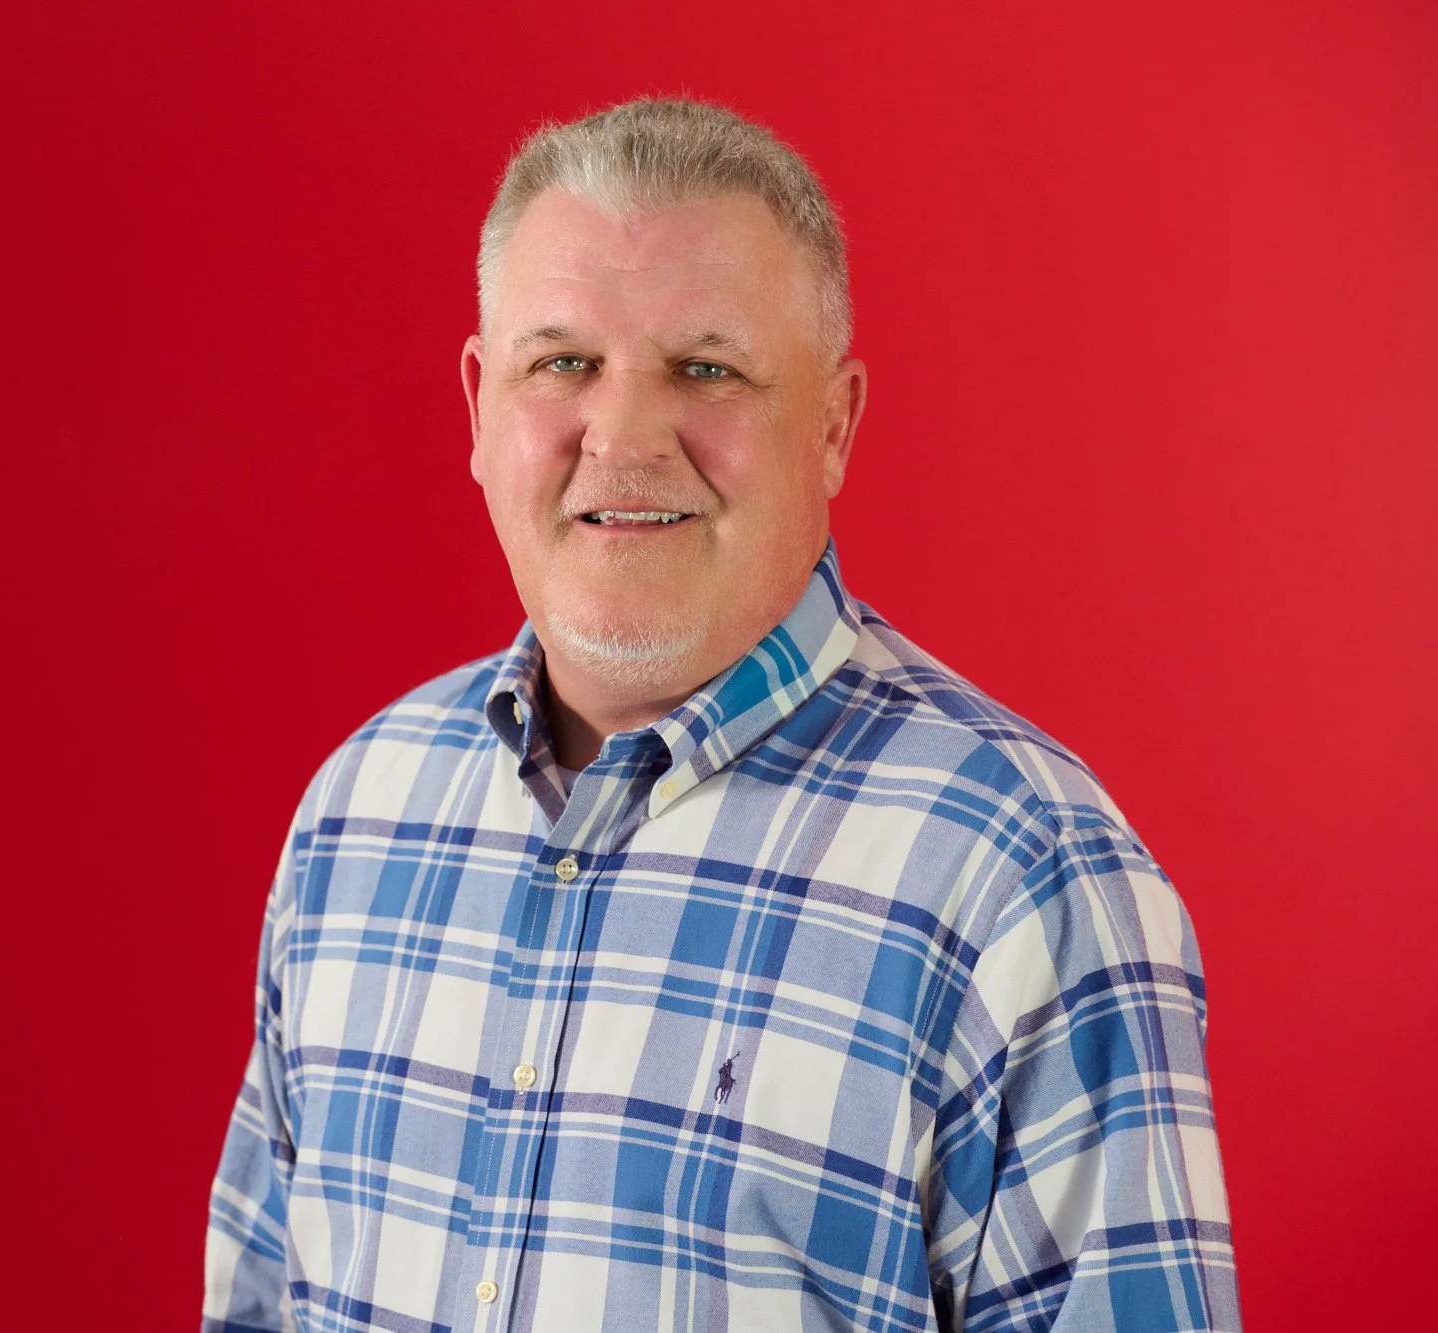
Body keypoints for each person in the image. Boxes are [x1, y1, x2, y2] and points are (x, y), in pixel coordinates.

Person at [203, 97, 1238, 1332]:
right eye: (562, 363)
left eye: (706, 367)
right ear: (481, 408)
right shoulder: (356, 818)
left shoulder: (1019, 879)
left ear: (835, 420)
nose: (626, 432)